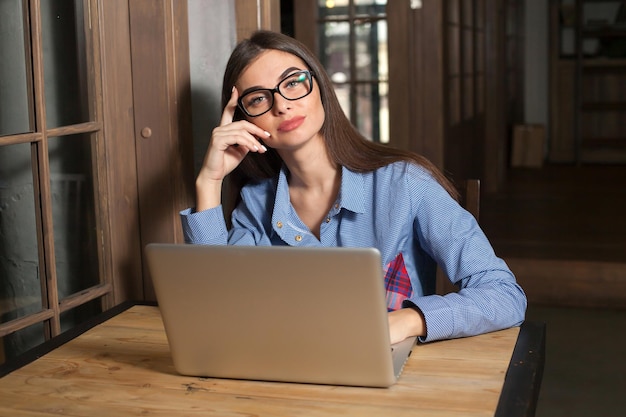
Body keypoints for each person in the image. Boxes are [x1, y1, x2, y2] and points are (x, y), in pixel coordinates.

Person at [180, 30, 526, 344]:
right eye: (258, 99)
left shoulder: (407, 183)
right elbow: (217, 310)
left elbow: (504, 294)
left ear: (320, 86)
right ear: (243, 119)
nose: (283, 105)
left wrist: (407, 320)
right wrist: (209, 183)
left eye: (294, 82)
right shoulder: (256, 204)